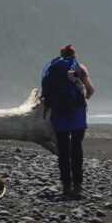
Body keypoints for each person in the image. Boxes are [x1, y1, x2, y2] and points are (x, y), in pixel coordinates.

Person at [42, 44, 94, 198]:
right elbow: (90, 89)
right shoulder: (79, 67)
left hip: (58, 113)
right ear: (74, 54)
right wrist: (86, 96)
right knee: (76, 147)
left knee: (63, 149)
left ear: (61, 54)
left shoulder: (52, 67)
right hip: (76, 112)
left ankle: (66, 185)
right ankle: (78, 184)